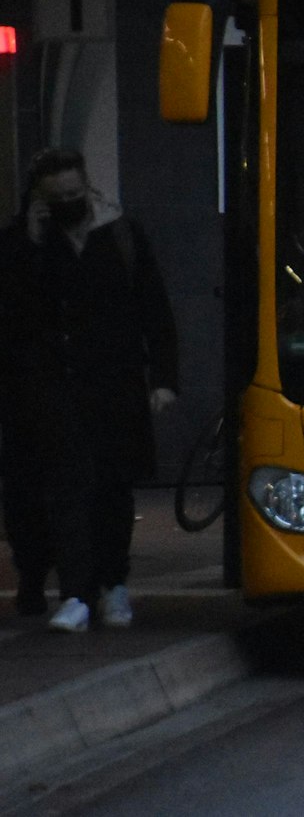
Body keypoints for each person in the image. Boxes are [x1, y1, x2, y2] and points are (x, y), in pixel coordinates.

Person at [0, 150, 178, 632]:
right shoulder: (24, 243)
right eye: (57, 197)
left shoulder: (120, 234)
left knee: (113, 488)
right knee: (68, 488)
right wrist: (32, 243)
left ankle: (112, 583)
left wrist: (164, 379)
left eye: (74, 194)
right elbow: (15, 311)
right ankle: (77, 590)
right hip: (52, 388)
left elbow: (153, 306)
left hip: (114, 384)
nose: (68, 204)